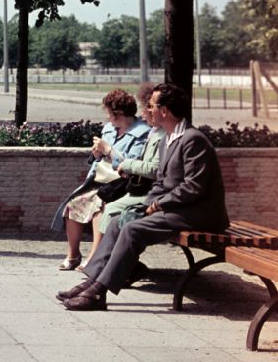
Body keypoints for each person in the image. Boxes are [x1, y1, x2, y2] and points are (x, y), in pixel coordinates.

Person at [60, 82, 229, 311]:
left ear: (165, 111)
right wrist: (150, 203)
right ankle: (92, 281)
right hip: (177, 209)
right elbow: (161, 180)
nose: (147, 110)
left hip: (198, 213)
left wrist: (159, 204)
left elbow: (193, 187)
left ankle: (98, 292)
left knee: (132, 229)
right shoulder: (169, 138)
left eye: (151, 105)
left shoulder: (192, 139)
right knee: (120, 221)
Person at [51, 88, 150, 270]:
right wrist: (96, 154)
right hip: (101, 182)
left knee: (98, 208)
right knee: (73, 205)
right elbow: (97, 161)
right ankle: (73, 255)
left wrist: (109, 151)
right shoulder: (109, 130)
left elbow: (132, 165)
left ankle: (95, 257)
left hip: (122, 186)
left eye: (108, 112)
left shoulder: (142, 133)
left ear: (117, 113)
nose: (107, 117)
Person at [95, 83, 164, 247]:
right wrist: (97, 155)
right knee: (101, 207)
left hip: (144, 190)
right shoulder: (154, 132)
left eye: (146, 107)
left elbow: (153, 169)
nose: (142, 112)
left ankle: (102, 260)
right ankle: (102, 259)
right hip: (124, 184)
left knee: (108, 209)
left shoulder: (153, 133)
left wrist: (123, 162)